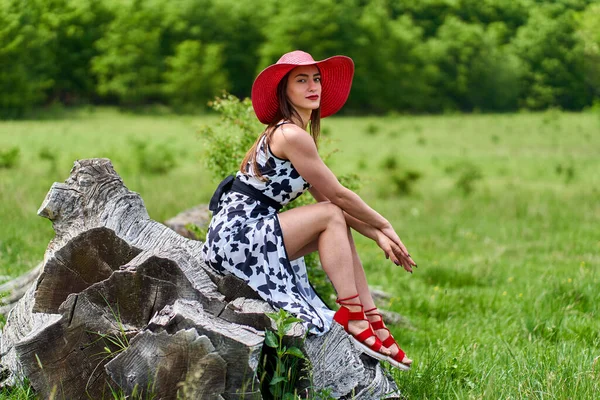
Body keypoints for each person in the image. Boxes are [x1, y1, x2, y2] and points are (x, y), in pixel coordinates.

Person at [202, 50, 415, 370]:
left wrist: (377, 236)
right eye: (301, 80)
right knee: (332, 215)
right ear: (284, 90)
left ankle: (370, 318)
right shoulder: (289, 134)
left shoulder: (297, 135)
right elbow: (338, 196)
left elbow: (332, 204)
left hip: (253, 232)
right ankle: (354, 317)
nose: (312, 86)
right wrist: (386, 227)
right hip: (237, 236)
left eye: (316, 79)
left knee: (334, 221)